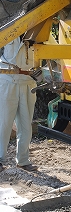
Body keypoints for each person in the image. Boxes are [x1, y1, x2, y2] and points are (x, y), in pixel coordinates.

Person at [0, 37, 38, 172]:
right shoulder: (10, 26)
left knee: (26, 125)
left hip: (28, 82)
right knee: (3, 123)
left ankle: (23, 161)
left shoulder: (38, 31)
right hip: (7, 79)